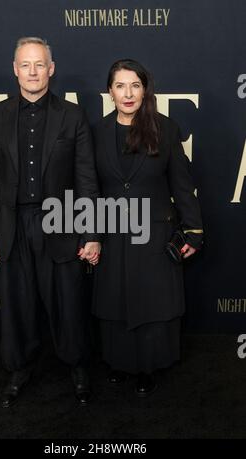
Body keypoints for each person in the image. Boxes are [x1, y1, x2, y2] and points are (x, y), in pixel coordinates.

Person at [0, 37, 100, 407]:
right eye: (25, 65)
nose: (33, 71)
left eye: (40, 64)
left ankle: (77, 365)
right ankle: (19, 367)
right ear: (15, 70)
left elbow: (86, 180)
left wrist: (91, 233)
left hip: (61, 223)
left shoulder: (72, 116)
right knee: (17, 302)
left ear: (52, 68)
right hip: (11, 224)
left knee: (68, 301)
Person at [92, 59, 203, 396]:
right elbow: (88, 186)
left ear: (145, 89)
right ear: (110, 91)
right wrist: (88, 235)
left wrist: (194, 231)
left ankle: (149, 367)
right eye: (120, 85)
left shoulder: (166, 129)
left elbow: (182, 185)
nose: (128, 93)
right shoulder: (94, 132)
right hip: (111, 232)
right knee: (115, 300)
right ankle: (119, 362)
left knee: (151, 302)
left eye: (135, 85)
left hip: (155, 232)